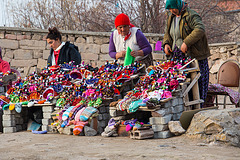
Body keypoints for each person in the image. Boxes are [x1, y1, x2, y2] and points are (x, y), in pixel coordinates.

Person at [162, 0, 211, 107]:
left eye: (173, 8)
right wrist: (166, 43)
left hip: (193, 57)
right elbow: (167, 33)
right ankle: (183, 110)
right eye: (169, 9)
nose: (171, 11)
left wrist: (186, 42)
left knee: (197, 85)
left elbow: (200, 29)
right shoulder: (171, 17)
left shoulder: (191, 15)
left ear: (178, 5)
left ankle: (197, 109)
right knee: (181, 86)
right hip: (177, 58)